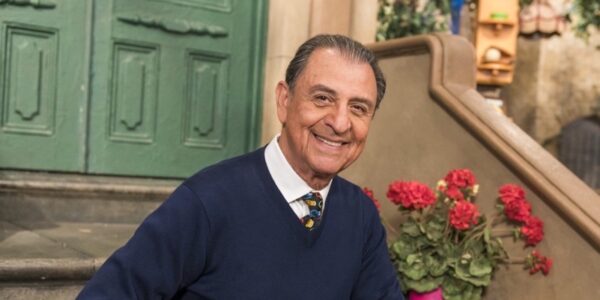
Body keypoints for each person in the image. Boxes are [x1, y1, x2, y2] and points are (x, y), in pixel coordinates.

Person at [78, 34, 404, 299]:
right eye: (322, 98)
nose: (340, 122)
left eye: (358, 108)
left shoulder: (359, 215)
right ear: (284, 101)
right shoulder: (209, 201)